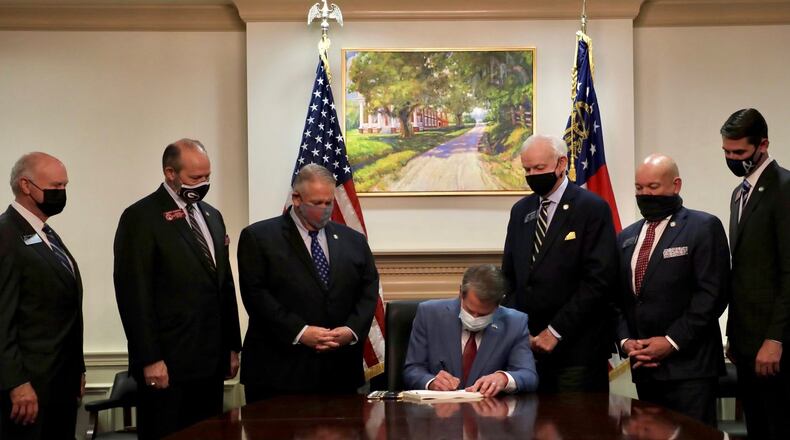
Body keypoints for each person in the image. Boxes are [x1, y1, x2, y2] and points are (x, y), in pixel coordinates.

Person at [114, 139, 242, 439]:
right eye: (195, 178)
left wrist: (232, 346)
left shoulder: (211, 215)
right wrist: (150, 359)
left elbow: (224, 284)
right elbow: (134, 294)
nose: (203, 183)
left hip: (210, 363)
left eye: (207, 176)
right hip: (168, 365)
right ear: (170, 173)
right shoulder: (141, 217)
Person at [237, 163, 379, 402]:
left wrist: (351, 330)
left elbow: (368, 290)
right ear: (297, 199)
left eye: (329, 203)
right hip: (279, 374)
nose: (324, 210)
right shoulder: (259, 238)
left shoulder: (352, 240)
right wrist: (300, 332)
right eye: (317, 203)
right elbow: (256, 296)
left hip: (339, 374)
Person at [615, 154, 729, 426]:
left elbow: (712, 295)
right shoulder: (626, 237)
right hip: (644, 367)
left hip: (690, 369)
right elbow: (617, 298)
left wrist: (671, 341)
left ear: (675, 185)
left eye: (653, 187)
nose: (644, 194)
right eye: (639, 188)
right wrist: (626, 342)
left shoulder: (703, 227)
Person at [501, 134, 618, 393]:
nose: (532, 175)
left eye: (539, 168)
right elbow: (509, 278)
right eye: (527, 169)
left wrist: (554, 331)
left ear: (561, 163)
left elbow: (598, 281)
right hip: (527, 351)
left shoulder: (591, 208)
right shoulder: (521, 211)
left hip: (577, 351)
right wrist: (520, 331)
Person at [0, 152, 85, 439]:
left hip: (60, 385)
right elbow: (2, 319)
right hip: (29, 391)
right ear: (26, 186)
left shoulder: (46, 234)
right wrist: (16, 383)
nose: (62, 193)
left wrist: (78, 369)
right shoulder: (6, 235)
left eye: (65, 186)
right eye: (56, 187)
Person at [720, 108, 790, 439]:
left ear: (763, 145)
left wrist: (775, 339)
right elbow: (745, 272)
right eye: (726, 152)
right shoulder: (739, 194)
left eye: (739, 153)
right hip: (746, 341)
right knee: (756, 428)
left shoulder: (784, 188)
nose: (732, 159)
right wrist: (733, 334)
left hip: (773, 344)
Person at [403, 264, 538, 396]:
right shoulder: (429, 314)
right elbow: (413, 370)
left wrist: (504, 378)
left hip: (488, 413)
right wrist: (431, 382)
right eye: (470, 310)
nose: (474, 318)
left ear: (499, 304)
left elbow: (528, 375)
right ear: (461, 292)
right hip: (440, 413)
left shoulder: (515, 323)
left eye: (483, 314)